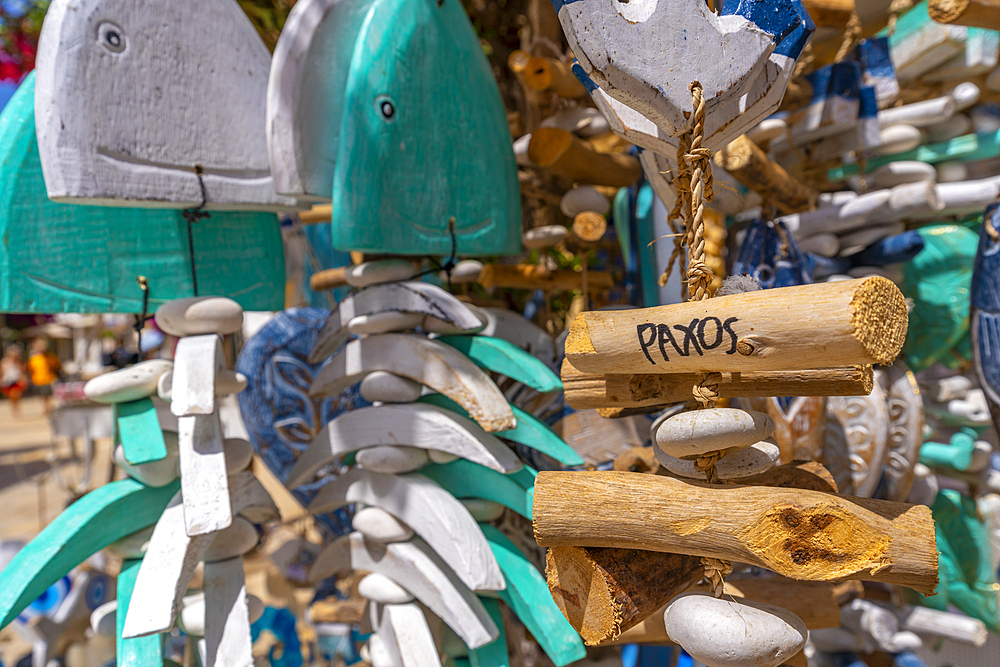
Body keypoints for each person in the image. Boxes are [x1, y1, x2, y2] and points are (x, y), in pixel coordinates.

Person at [28, 338, 60, 415]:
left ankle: (47, 408)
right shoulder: (34, 359)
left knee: (49, 395)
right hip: (38, 380)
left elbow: (57, 367)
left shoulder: (51, 357)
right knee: (43, 396)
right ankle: (46, 407)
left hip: (49, 379)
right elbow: (31, 370)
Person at [1, 346, 27, 417]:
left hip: (17, 381)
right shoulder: (5, 362)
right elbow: (2, 372)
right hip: (7, 381)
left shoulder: (19, 363)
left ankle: (16, 408)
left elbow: (22, 372)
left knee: (15, 394)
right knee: (11, 397)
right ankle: (14, 408)